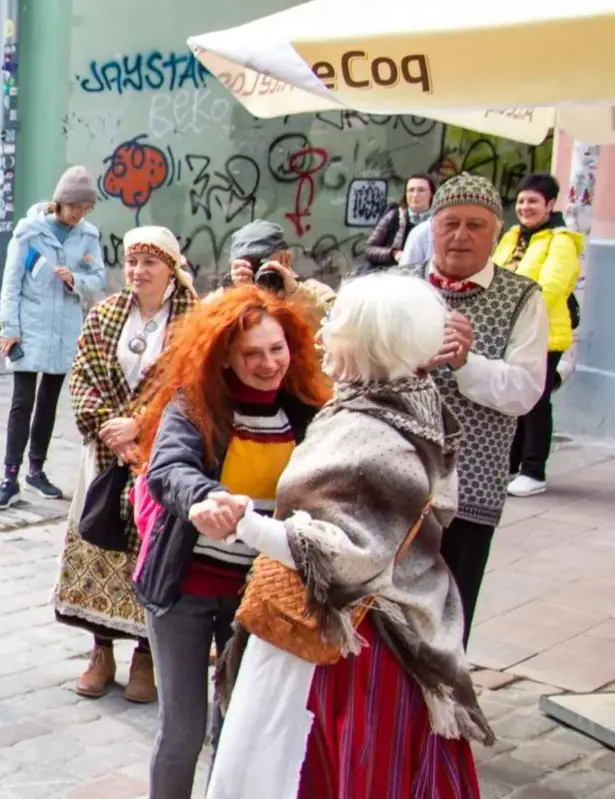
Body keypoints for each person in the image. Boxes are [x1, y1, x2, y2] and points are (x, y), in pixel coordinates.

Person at [199, 274, 492, 798]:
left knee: (312, 771)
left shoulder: (370, 433)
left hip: (348, 647)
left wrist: (245, 521)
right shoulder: (407, 401)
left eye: (335, 325)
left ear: (364, 343)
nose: (321, 335)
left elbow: (342, 558)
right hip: (386, 627)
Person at [134, 287, 332, 799]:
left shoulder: (309, 410)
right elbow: (168, 468)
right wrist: (202, 498)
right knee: (182, 730)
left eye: (277, 349)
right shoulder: (194, 403)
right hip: (185, 590)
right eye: (252, 354)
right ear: (223, 355)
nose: (269, 363)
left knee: (238, 725)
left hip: (261, 596)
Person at [394, 173, 547, 640]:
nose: (461, 235)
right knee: (384, 615)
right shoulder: (398, 287)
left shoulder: (522, 296)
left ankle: (441, 711)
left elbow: (525, 391)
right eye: (451, 223)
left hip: (469, 487)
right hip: (392, 478)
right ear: (432, 228)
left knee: (447, 621)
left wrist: (466, 362)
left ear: (496, 232)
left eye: (476, 225)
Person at [55, 226, 197, 703]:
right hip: (104, 452)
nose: (137, 272)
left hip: (163, 456)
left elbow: (193, 388)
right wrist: (111, 429)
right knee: (100, 541)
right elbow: (84, 376)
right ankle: (100, 652)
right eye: (132, 262)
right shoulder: (106, 314)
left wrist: (142, 426)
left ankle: (145, 655)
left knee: (149, 551)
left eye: (149, 263)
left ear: (170, 268)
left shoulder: (192, 321)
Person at [0, 167, 107, 510]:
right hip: (29, 327)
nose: (78, 215)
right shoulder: (29, 232)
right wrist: (9, 328)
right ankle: (9, 476)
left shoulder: (88, 236)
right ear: (60, 202)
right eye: (74, 207)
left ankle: (36, 470)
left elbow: (97, 276)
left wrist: (76, 280)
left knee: (49, 402)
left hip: (64, 329)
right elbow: (11, 283)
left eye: (85, 209)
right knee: (21, 402)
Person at [498, 172, 581, 498]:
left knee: (536, 402)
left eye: (533, 201)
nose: (525, 207)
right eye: (521, 201)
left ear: (549, 205)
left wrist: (512, 310)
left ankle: (534, 470)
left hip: (543, 334)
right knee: (514, 400)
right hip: (510, 331)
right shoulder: (513, 236)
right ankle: (512, 465)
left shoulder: (561, 241)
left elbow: (551, 288)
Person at [215, 221, 338, 327]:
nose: (258, 271)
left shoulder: (315, 292)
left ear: (286, 259)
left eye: (264, 262)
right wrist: (236, 297)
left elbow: (337, 328)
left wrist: (296, 293)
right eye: (250, 266)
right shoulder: (220, 299)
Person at [360, 174, 435, 276]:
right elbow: (368, 249)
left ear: (431, 194)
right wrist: (393, 253)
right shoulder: (394, 216)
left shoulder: (438, 221)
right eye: (411, 190)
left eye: (421, 190)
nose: (415, 195)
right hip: (391, 278)